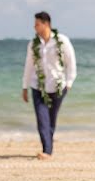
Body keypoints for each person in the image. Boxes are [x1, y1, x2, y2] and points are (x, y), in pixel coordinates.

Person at [21, 11, 77, 160]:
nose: (35, 27)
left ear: (46, 24)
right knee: (42, 119)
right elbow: (29, 66)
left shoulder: (62, 41)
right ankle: (47, 150)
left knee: (51, 120)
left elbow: (71, 62)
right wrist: (25, 87)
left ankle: (48, 148)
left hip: (58, 87)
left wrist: (69, 82)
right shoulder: (33, 44)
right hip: (37, 87)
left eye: (37, 24)